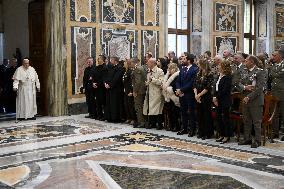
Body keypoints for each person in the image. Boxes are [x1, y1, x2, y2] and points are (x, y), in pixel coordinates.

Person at [238, 55, 266, 148]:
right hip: (245, 100)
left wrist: (248, 97)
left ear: (252, 62)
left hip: (255, 101)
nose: (244, 62)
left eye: (246, 61)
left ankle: (258, 140)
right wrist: (244, 87)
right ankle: (247, 138)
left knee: (256, 122)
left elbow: (259, 88)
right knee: (246, 120)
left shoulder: (260, 72)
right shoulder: (244, 71)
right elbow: (238, 83)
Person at [176, 53, 198, 137]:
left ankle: (192, 129)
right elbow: (178, 80)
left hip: (189, 94)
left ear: (188, 60)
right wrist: (178, 89)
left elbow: (191, 83)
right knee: (183, 112)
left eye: (184, 59)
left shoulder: (194, 69)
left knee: (191, 113)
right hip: (181, 94)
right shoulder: (182, 69)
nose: (182, 60)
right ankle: (184, 128)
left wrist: (181, 90)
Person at [193, 58, 214, 140]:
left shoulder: (210, 74)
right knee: (199, 114)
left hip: (206, 96)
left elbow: (207, 87)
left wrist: (199, 95)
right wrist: (196, 95)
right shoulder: (198, 73)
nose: (198, 66)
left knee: (206, 115)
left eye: (199, 64)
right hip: (197, 96)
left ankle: (207, 132)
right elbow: (194, 84)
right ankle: (201, 131)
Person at [213, 60, 233, 144]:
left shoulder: (228, 77)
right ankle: (221, 134)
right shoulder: (219, 76)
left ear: (224, 67)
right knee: (218, 118)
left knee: (225, 118)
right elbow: (215, 87)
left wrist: (216, 97)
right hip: (218, 99)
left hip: (224, 100)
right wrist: (214, 97)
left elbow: (225, 90)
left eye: (220, 65)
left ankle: (227, 135)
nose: (218, 67)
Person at [143, 58, 165, 129]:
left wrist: (152, 79)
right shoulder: (149, 71)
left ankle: (159, 124)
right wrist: (147, 83)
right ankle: (152, 123)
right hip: (149, 92)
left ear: (153, 63)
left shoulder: (160, 71)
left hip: (157, 93)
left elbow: (161, 82)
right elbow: (148, 81)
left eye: (148, 63)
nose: (147, 64)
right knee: (150, 108)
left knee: (157, 109)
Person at [104, 57, 124, 122]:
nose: (110, 61)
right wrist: (105, 83)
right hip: (110, 88)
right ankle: (110, 117)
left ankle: (115, 118)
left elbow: (116, 78)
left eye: (111, 60)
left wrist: (110, 85)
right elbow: (107, 76)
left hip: (116, 89)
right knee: (110, 103)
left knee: (115, 104)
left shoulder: (120, 68)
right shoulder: (111, 67)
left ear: (115, 61)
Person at [270, 49, 284, 140]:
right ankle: (275, 132)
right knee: (274, 113)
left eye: (274, 55)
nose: (272, 57)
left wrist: (275, 73)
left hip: (282, 93)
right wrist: (276, 73)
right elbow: (273, 75)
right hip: (274, 93)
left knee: (283, 113)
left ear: (280, 56)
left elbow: (278, 74)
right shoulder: (274, 65)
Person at [162, 63, 180, 131]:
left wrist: (168, 88)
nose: (169, 70)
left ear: (174, 69)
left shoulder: (177, 76)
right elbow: (165, 84)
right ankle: (171, 125)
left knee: (175, 112)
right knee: (170, 112)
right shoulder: (170, 76)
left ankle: (176, 126)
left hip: (175, 97)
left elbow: (175, 86)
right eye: (169, 69)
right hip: (169, 96)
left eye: (170, 68)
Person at [131, 58, 147, 128]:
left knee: (138, 106)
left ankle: (141, 122)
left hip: (139, 91)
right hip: (142, 90)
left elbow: (138, 82)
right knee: (140, 106)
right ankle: (142, 121)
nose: (130, 64)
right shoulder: (141, 68)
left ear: (134, 62)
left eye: (131, 62)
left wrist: (135, 91)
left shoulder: (137, 69)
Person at [93, 55, 108, 120]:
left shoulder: (105, 68)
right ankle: (99, 115)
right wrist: (93, 83)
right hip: (96, 87)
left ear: (102, 60)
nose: (97, 60)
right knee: (98, 102)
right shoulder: (96, 67)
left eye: (99, 59)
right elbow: (93, 76)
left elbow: (103, 78)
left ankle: (104, 116)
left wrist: (97, 84)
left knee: (103, 102)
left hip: (102, 88)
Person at [123, 59, 136, 125]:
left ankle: (133, 118)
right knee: (126, 105)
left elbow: (132, 83)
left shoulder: (131, 72)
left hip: (129, 91)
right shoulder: (126, 71)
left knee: (131, 105)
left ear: (128, 64)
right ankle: (128, 117)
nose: (124, 63)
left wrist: (131, 91)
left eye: (125, 62)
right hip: (125, 90)